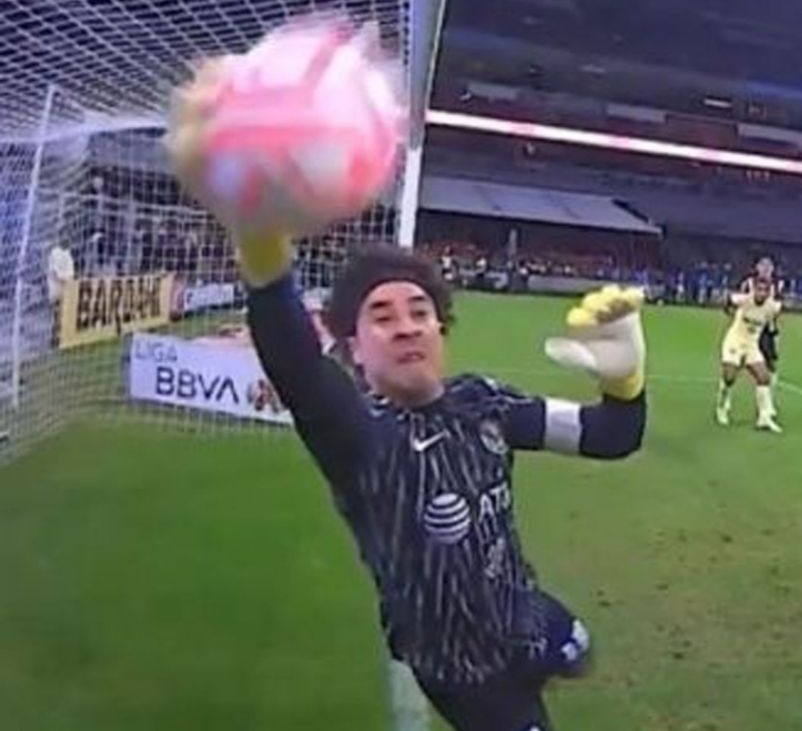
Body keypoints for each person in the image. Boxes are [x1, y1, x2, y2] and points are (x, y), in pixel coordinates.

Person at [166, 57, 648, 731]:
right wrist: (261, 246)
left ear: (441, 329)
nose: (406, 325)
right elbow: (296, 365)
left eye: (420, 310)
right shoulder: (362, 438)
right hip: (462, 671)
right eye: (382, 316)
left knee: (575, 649)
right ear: (354, 349)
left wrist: (626, 381)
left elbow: (611, 438)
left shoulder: (483, 403)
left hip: (524, 615)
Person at [716, 276, 782, 433]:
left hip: (752, 344)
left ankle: (764, 417)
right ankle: (722, 406)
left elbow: (773, 321)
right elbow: (728, 299)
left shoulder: (773, 307)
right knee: (729, 377)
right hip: (735, 341)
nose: (761, 293)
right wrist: (729, 312)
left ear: (768, 292)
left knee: (763, 377)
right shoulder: (744, 300)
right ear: (754, 289)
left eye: (765, 290)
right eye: (759, 289)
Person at [730, 257, 784, 384]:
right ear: (757, 267)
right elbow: (740, 299)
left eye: (768, 267)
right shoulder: (749, 282)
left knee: (770, 354)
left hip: (765, 324)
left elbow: (778, 304)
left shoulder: (776, 285)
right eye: (762, 266)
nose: (765, 269)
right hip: (748, 323)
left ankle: (770, 381)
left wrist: (773, 322)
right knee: (741, 354)